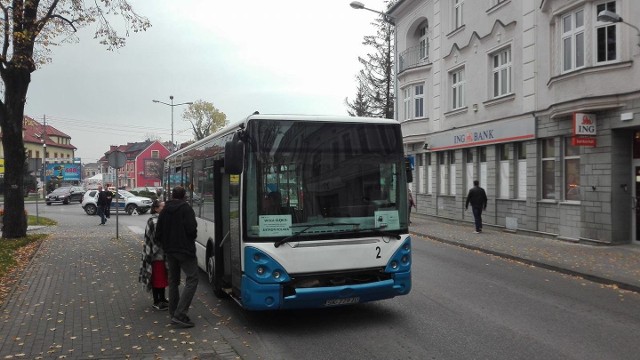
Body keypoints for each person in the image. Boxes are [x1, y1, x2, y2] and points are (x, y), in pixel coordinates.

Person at [155, 186, 198, 328]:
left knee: (173, 280)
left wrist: (167, 244)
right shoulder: (186, 209)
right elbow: (192, 230)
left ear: (172, 195)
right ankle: (180, 314)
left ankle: (173, 312)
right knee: (192, 279)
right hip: (185, 250)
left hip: (169, 250)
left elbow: (158, 233)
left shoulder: (165, 210)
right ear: (184, 196)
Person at [139, 200, 169, 310]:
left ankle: (162, 298)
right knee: (157, 278)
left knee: (162, 278)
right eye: (162, 206)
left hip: (159, 254)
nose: (165, 208)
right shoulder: (155, 221)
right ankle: (157, 301)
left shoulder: (160, 219)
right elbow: (157, 239)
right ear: (156, 208)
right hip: (156, 255)